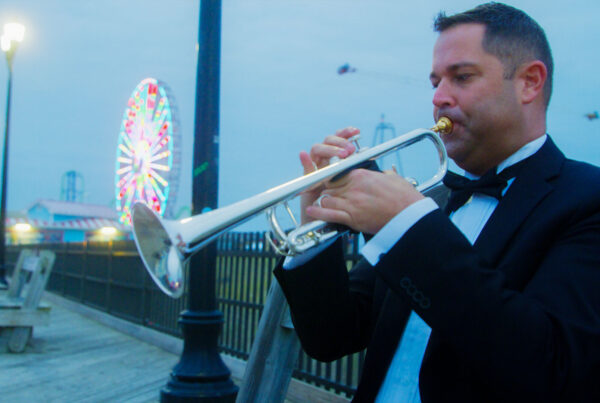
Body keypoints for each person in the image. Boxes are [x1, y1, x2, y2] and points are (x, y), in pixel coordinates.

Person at [274, 3, 600, 402]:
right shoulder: (430, 201)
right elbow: (330, 338)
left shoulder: (587, 199)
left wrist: (409, 226)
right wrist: (316, 228)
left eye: (461, 77)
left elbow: (550, 369)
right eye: (435, 82)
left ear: (530, 82)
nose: (439, 97)